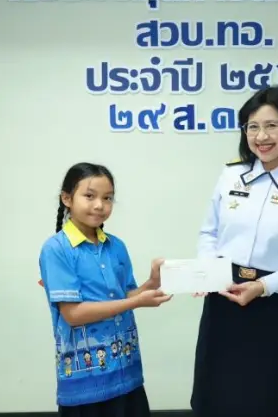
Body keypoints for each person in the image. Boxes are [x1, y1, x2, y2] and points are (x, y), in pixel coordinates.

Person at [190, 85, 278, 417]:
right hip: (223, 298)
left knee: (268, 400)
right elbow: (209, 233)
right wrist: (206, 271)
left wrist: (263, 286)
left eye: (271, 125)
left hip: (273, 305)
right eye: (252, 126)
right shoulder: (231, 175)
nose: (261, 136)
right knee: (214, 396)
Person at [39, 162, 172, 417]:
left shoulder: (116, 246)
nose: (100, 205)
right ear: (67, 198)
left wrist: (151, 283)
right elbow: (73, 314)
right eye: (89, 196)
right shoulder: (56, 249)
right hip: (85, 383)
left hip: (127, 373)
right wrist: (136, 302)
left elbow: (126, 296)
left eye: (107, 198)